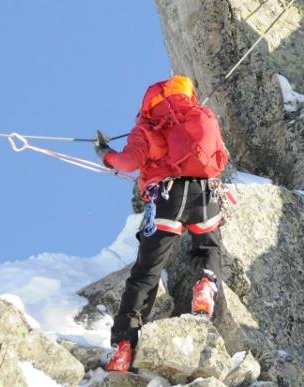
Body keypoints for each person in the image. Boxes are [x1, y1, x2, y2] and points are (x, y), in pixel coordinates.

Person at [93, 75, 230, 373]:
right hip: (206, 193)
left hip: (168, 197)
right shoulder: (201, 116)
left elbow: (127, 163)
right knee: (207, 246)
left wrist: (105, 154)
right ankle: (206, 285)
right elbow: (220, 157)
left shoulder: (147, 126)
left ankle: (123, 347)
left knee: (146, 274)